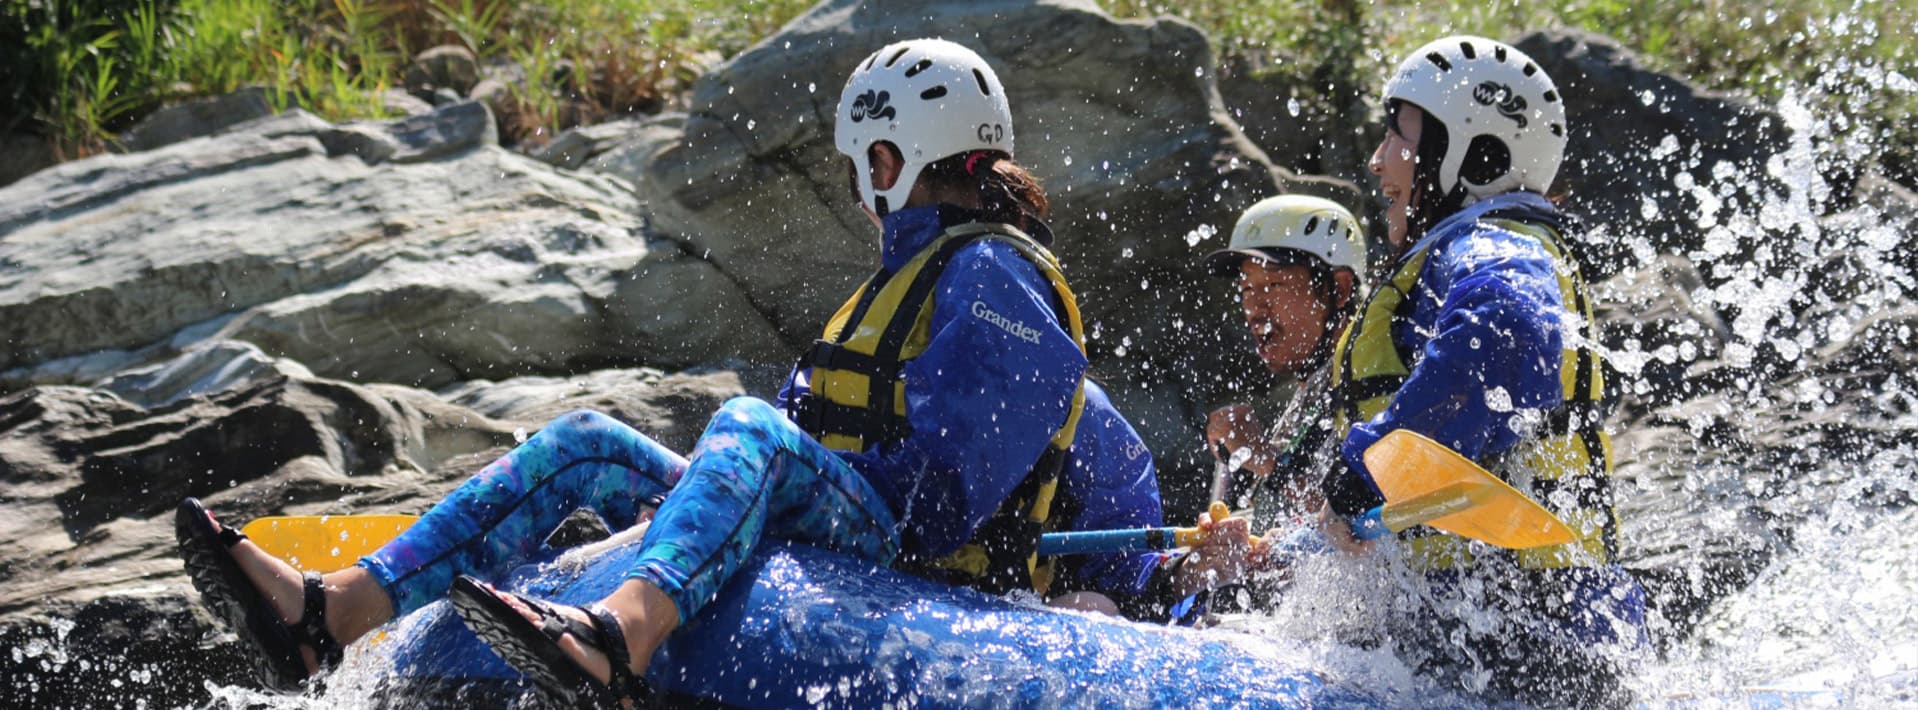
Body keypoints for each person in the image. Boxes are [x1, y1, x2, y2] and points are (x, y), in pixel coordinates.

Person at [174, 38, 1161, 706]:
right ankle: (327, 610)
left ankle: (616, 636)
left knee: (745, 434)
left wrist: (779, 489)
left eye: (867, 162)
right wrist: (715, 507)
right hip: (848, 516)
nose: (864, 186)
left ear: (895, 159)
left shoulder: (993, 272)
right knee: (586, 445)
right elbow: (812, 426)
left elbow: (943, 499)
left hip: (914, 554)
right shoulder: (914, 272)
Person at [1307, 35, 1647, 707]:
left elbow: (1507, 336)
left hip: (1517, 639)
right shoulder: (1475, 251)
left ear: (1474, 153)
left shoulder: (1493, 244)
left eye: (1397, 136)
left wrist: (1369, 466)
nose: (1378, 161)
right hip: (1516, 634)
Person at [1200, 194, 1366, 531]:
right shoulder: (1316, 388)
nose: (1255, 309)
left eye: (1274, 285)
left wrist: (1267, 462)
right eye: (1247, 289)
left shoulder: (1371, 380)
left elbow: (1363, 528)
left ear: (1340, 289)